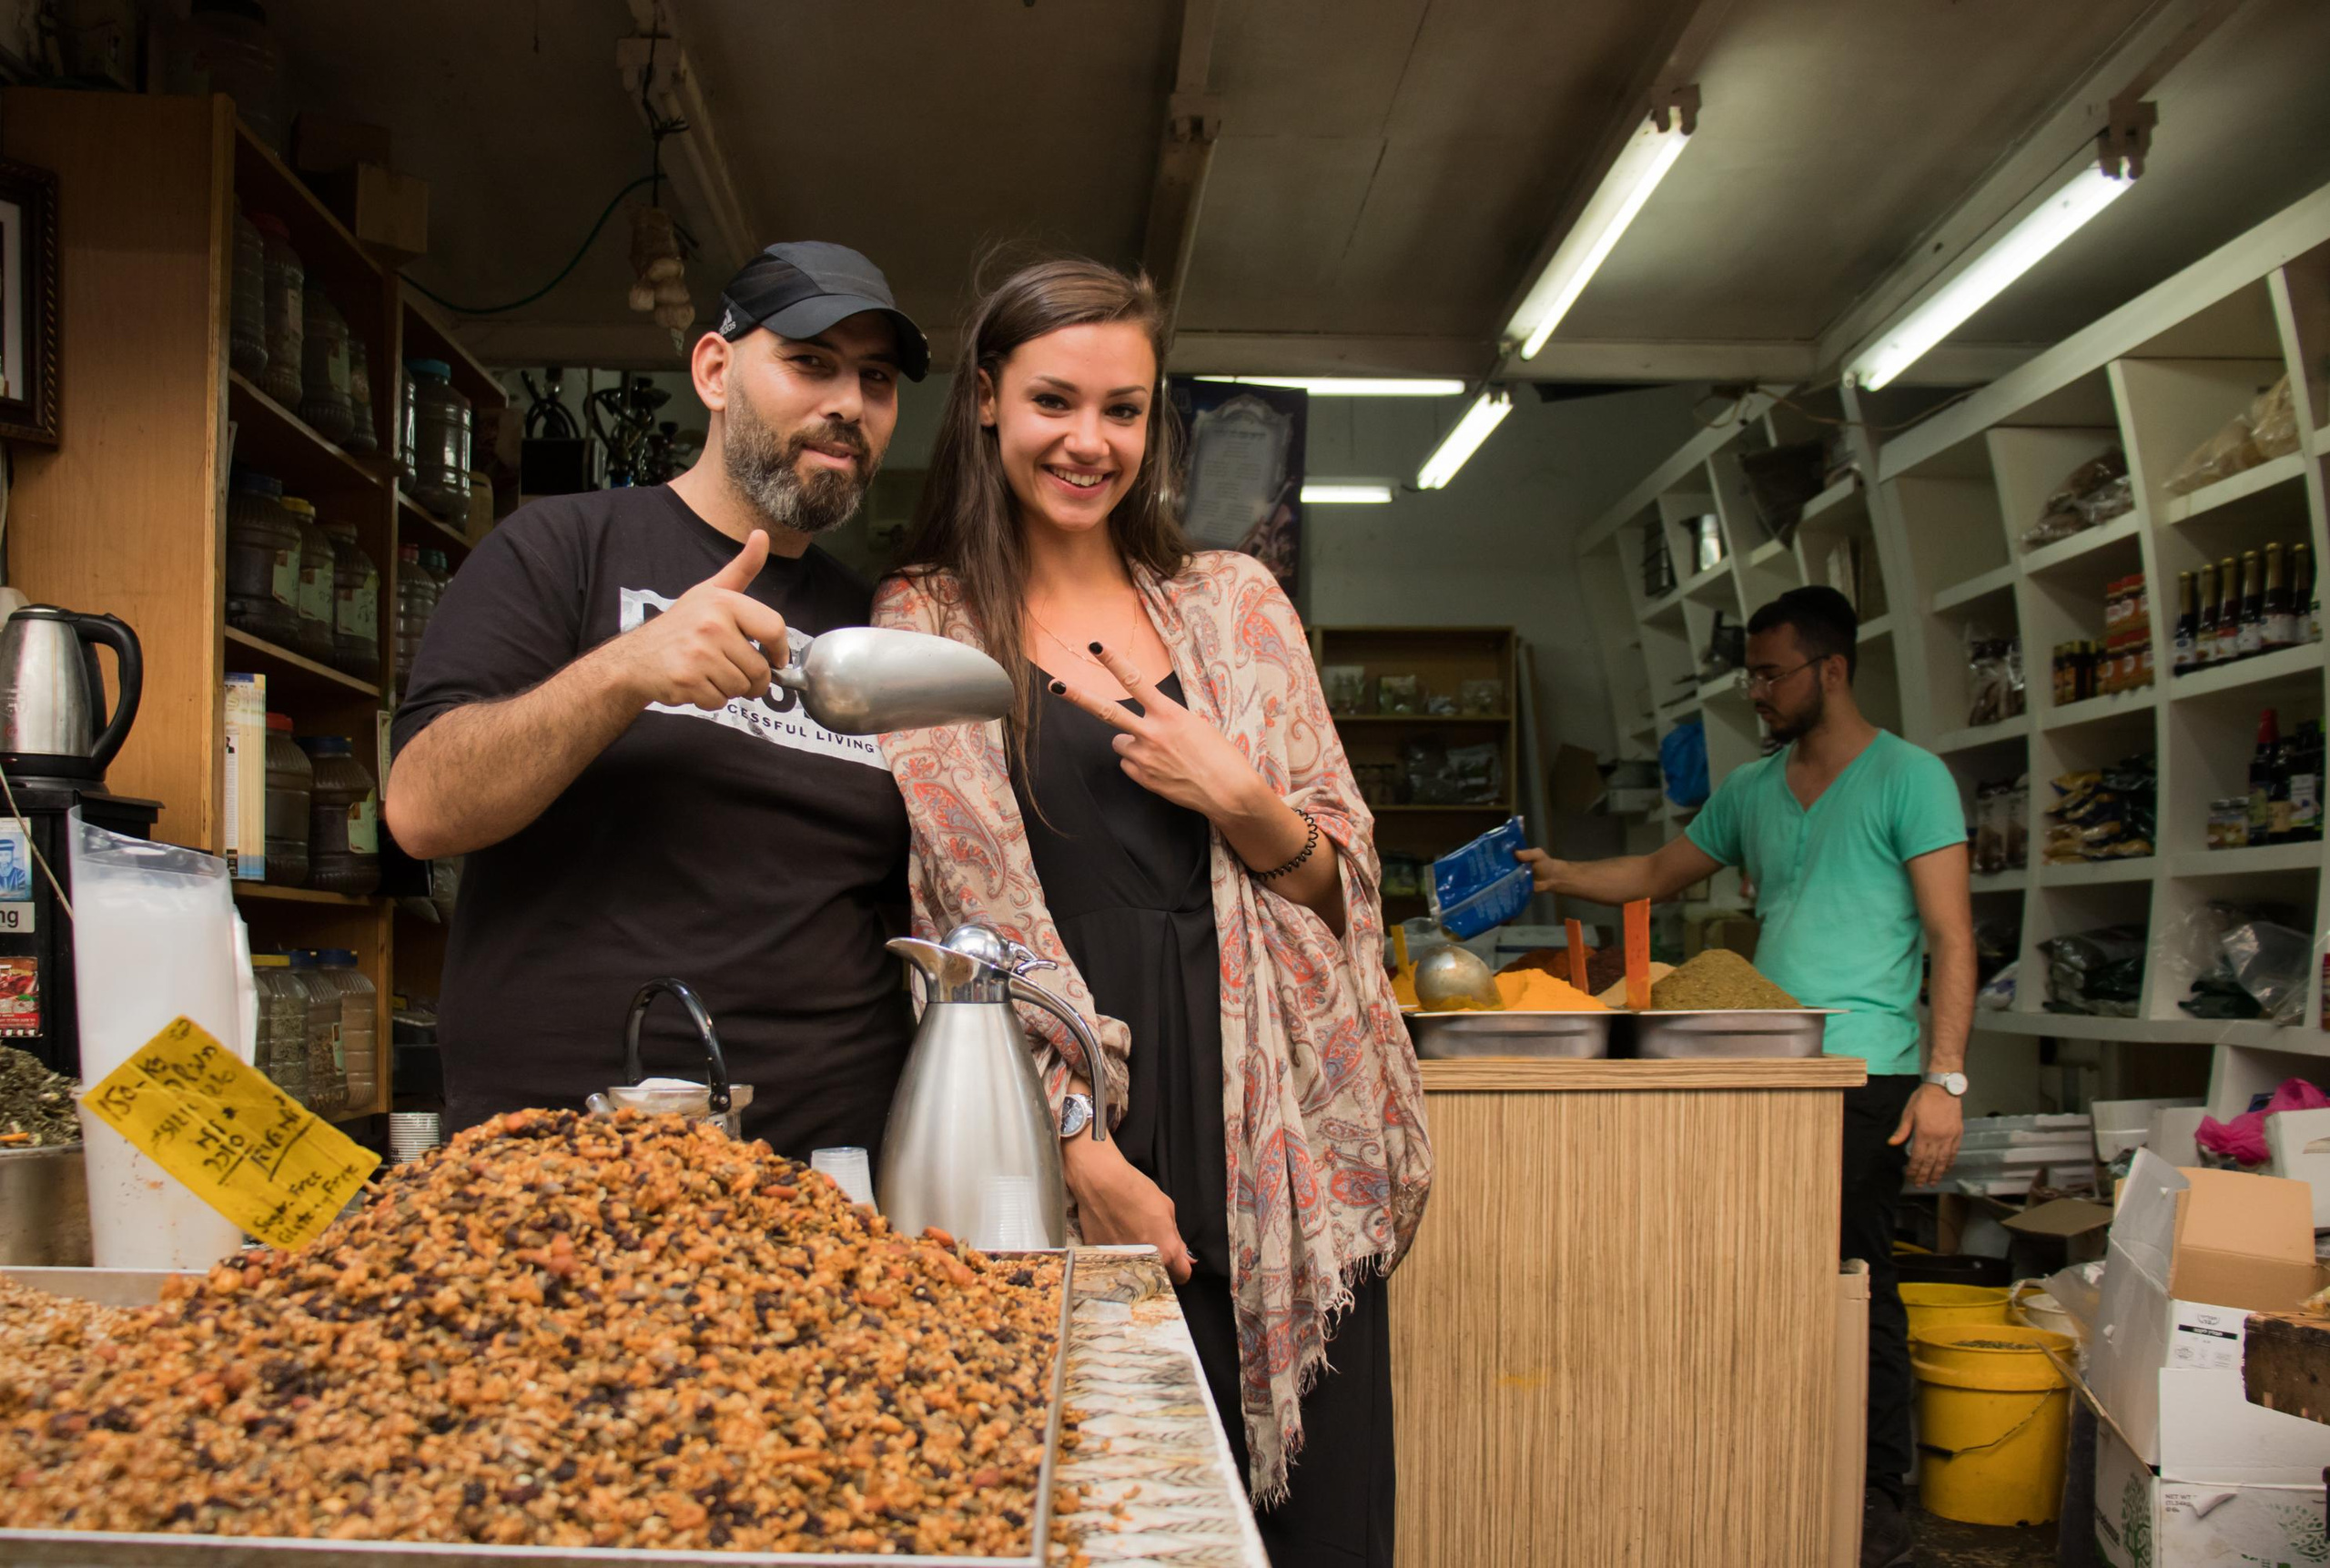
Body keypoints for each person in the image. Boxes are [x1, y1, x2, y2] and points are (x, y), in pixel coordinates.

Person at [872, 257, 1431, 1566]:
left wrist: (1241, 796)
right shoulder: (927, 622)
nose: (1090, 440)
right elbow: (955, 917)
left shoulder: (1233, 600)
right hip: (1070, 1127)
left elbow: (1342, 889)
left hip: (1276, 1136)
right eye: (1054, 401)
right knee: (1110, 1514)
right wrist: (1076, 1148)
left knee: (1319, 1525)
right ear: (986, 401)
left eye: (1122, 409)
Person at [384, 241, 931, 1160]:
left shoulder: (877, 625)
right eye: (810, 362)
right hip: (564, 1169)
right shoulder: (560, 549)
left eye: (875, 378)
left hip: (826, 1175)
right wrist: (625, 669)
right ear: (715, 371)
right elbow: (422, 809)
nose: (848, 403)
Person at [1517, 585, 1970, 1568]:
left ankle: (1873, 1500)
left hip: (1870, 1068)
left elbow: (1952, 934)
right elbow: (1654, 873)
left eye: (1771, 674)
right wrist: (1558, 874)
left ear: (1831, 669)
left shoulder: (1910, 778)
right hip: (1767, 1065)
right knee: (1762, 1275)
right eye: (1751, 674)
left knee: (1853, 1277)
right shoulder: (1754, 788)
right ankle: (1779, 1476)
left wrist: (1947, 1081)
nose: (1756, 692)